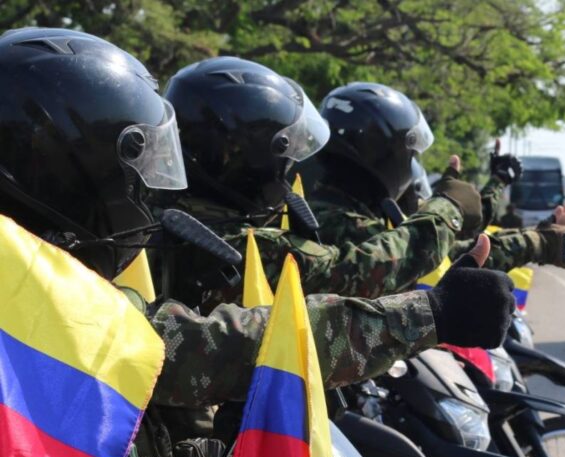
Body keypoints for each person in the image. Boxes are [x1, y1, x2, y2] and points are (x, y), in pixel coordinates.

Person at [0, 28, 513, 457]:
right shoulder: (27, 289)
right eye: (133, 163)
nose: (149, 189)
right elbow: (225, 346)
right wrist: (431, 311)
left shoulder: (33, 267)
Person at [162, 58, 492, 310]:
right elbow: (364, 271)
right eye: (284, 155)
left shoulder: (159, 218)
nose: (288, 170)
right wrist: (447, 209)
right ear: (250, 156)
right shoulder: (241, 247)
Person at [304, 83, 565, 273]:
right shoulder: (346, 225)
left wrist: (543, 232)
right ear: (386, 156)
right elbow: (443, 257)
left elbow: (456, 240)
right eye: (409, 156)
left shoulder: (327, 208)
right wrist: (541, 242)